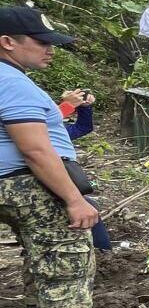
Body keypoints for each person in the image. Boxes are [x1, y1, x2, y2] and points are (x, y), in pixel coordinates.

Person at [0, 5, 128, 308]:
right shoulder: (11, 82)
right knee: (65, 256)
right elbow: (35, 149)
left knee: (36, 247)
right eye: (41, 42)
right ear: (8, 42)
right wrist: (73, 198)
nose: (50, 49)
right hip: (26, 184)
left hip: (8, 185)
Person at [58, 88, 111, 250]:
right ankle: (104, 254)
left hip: (63, 180)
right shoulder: (29, 127)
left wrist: (83, 107)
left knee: (89, 206)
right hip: (42, 179)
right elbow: (38, 123)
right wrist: (67, 105)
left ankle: (103, 254)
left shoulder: (56, 131)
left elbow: (83, 127)